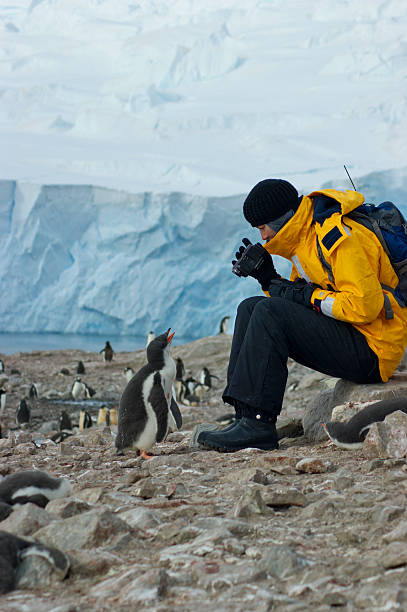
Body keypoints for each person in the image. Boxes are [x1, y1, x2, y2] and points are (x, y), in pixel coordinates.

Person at [198, 178, 407, 452]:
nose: (262, 236)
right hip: (353, 336)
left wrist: (311, 297)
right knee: (250, 307)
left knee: (268, 312)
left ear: (281, 218)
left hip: (374, 348)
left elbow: (364, 307)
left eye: (263, 227)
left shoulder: (337, 238)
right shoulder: (304, 241)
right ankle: (244, 417)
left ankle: (258, 425)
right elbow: (301, 303)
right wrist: (269, 280)